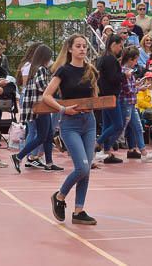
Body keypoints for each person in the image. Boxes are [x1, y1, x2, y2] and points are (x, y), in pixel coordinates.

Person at [44, 34, 99, 225]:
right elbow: (47, 96)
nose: (82, 49)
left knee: (87, 169)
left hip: (89, 122)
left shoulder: (90, 70)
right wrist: (62, 109)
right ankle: (59, 196)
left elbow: (94, 96)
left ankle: (79, 210)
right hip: (70, 124)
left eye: (84, 46)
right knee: (82, 167)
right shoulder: (63, 71)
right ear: (70, 49)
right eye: (78, 46)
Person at [11, 45, 63, 173]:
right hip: (40, 106)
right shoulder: (41, 69)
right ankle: (19, 156)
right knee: (41, 136)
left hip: (37, 105)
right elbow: (42, 86)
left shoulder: (34, 68)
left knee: (48, 134)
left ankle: (49, 163)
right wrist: (53, 86)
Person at [94, 35, 125, 164]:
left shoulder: (102, 58)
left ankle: (106, 151)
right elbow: (113, 78)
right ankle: (98, 143)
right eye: (120, 45)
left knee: (107, 123)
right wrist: (124, 75)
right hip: (111, 95)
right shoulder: (110, 59)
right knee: (118, 124)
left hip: (104, 95)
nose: (121, 48)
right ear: (113, 44)